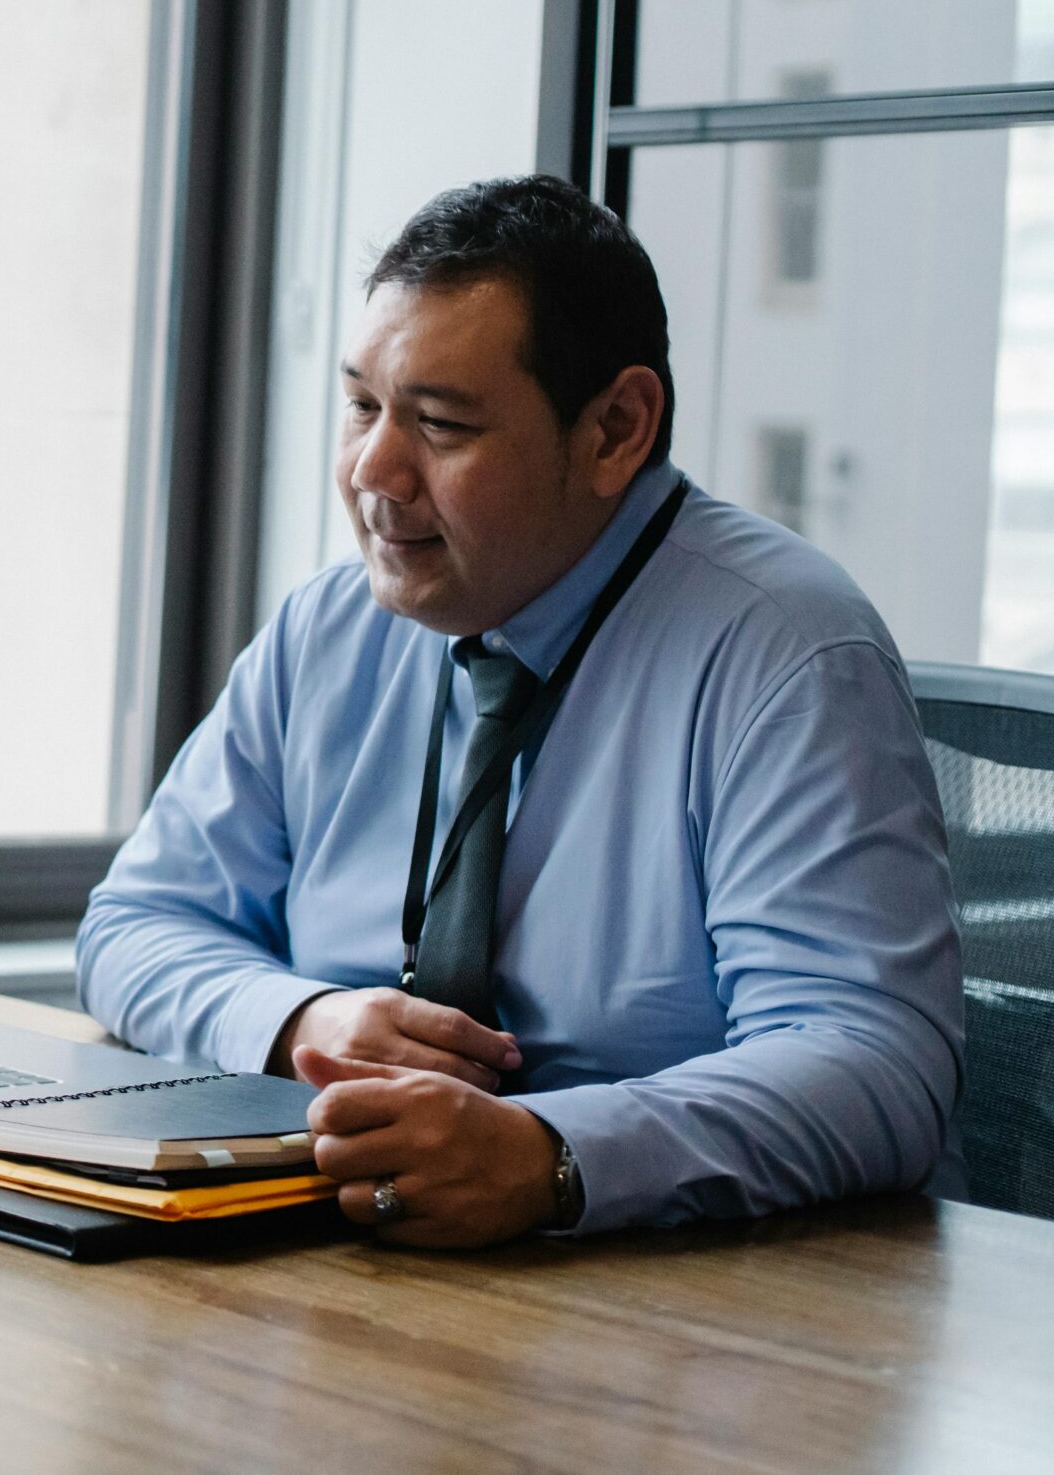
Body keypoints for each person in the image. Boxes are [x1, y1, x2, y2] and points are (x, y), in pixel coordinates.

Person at [77, 174, 963, 1248]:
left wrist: (554, 1155)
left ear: (613, 431)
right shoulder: (330, 628)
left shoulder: (784, 652)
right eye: (361, 406)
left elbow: (873, 1064)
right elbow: (134, 925)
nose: (372, 472)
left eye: (440, 426)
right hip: (345, 1257)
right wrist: (301, 1020)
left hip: (671, 1312)